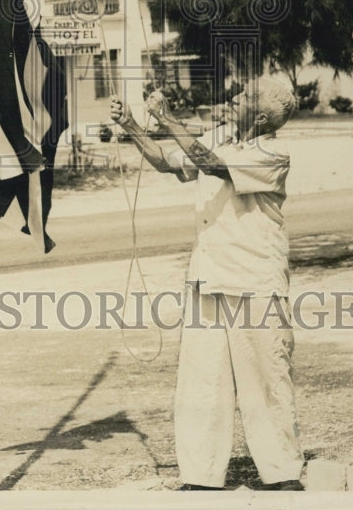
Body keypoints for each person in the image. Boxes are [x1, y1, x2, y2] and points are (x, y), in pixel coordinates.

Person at [110, 79, 304, 492]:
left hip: (255, 282)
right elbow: (167, 162)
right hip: (207, 278)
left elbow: (213, 164)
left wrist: (165, 117)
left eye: (246, 97)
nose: (233, 98)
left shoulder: (273, 153)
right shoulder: (219, 138)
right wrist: (133, 126)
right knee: (200, 384)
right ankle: (201, 477)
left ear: (264, 117)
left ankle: (282, 473)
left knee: (267, 380)